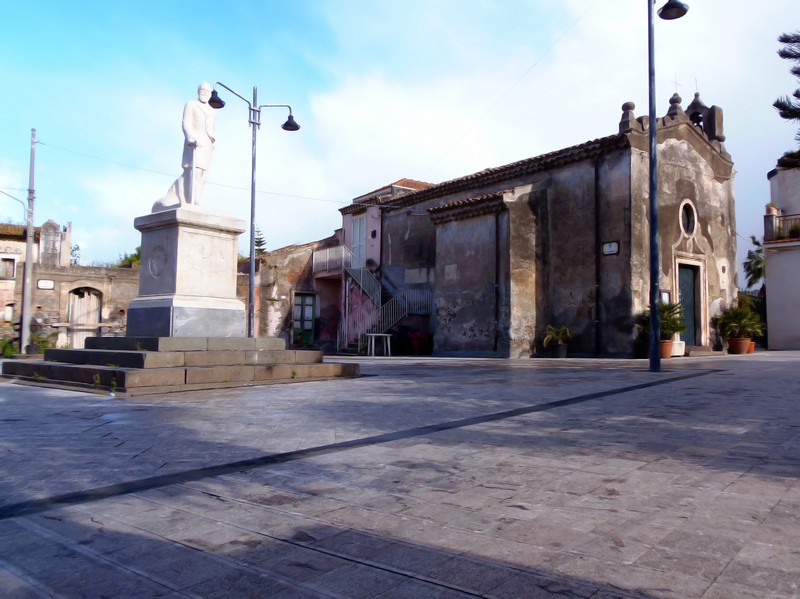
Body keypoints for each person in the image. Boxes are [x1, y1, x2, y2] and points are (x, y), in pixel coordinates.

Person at [153, 82, 216, 211]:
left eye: (207, 91)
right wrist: (190, 137)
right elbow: (186, 123)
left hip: (207, 145)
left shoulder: (212, 111)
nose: (204, 92)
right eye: (202, 90)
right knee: (195, 172)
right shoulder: (191, 104)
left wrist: (212, 142)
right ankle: (194, 200)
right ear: (198, 91)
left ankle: (192, 197)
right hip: (195, 143)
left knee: (203, 176)